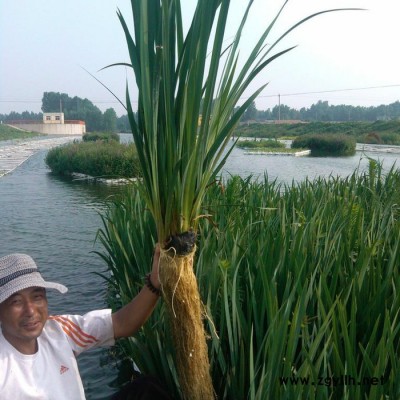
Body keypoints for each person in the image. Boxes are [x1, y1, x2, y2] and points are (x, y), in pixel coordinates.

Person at [0, 246, 164, 400]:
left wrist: (154, 283)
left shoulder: (59, 330)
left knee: (147, 389)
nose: (30, 311)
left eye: (37, 297)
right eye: (16, 302)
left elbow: (121, 323)